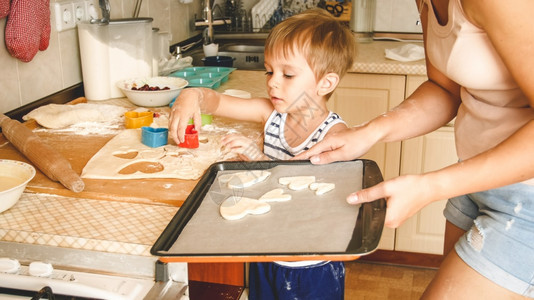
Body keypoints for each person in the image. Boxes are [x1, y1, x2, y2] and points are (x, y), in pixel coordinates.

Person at [297, 0, 534, 298]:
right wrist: (371, 131)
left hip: (525, 199)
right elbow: (444, 88)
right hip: (473, 179)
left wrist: (431, 186)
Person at [168, 8, 357, 299]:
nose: (273, 82)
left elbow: (304, 191)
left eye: (288, 74)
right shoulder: (271, 114)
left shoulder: (334, 136)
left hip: (309, 265)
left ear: (326, 83)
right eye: (269, 71)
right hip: (265, 249)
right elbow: (217, 102)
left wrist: (256, 157)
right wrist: (192, 94)